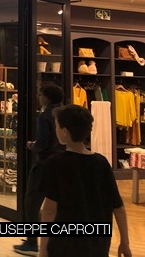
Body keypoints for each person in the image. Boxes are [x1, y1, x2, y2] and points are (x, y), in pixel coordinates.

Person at [38, 105, 131, 257]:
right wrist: (125, 242)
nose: (55, 130)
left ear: (64, 131)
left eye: (57, 126)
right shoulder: (101, 163)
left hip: (64, 245)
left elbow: (49, 209)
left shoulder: (55, 163)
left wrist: (43, 249)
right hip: (98, 244)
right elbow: (118, 207)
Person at [13, 84, 64, 256]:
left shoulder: (45, 116)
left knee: (32, 202)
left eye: (41, 94)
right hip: (61, 162)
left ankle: (32, 242)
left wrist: (30, 145)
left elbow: (42, 143)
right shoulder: (64, 113)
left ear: (47, 97)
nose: (39, 97)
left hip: (44, 164)